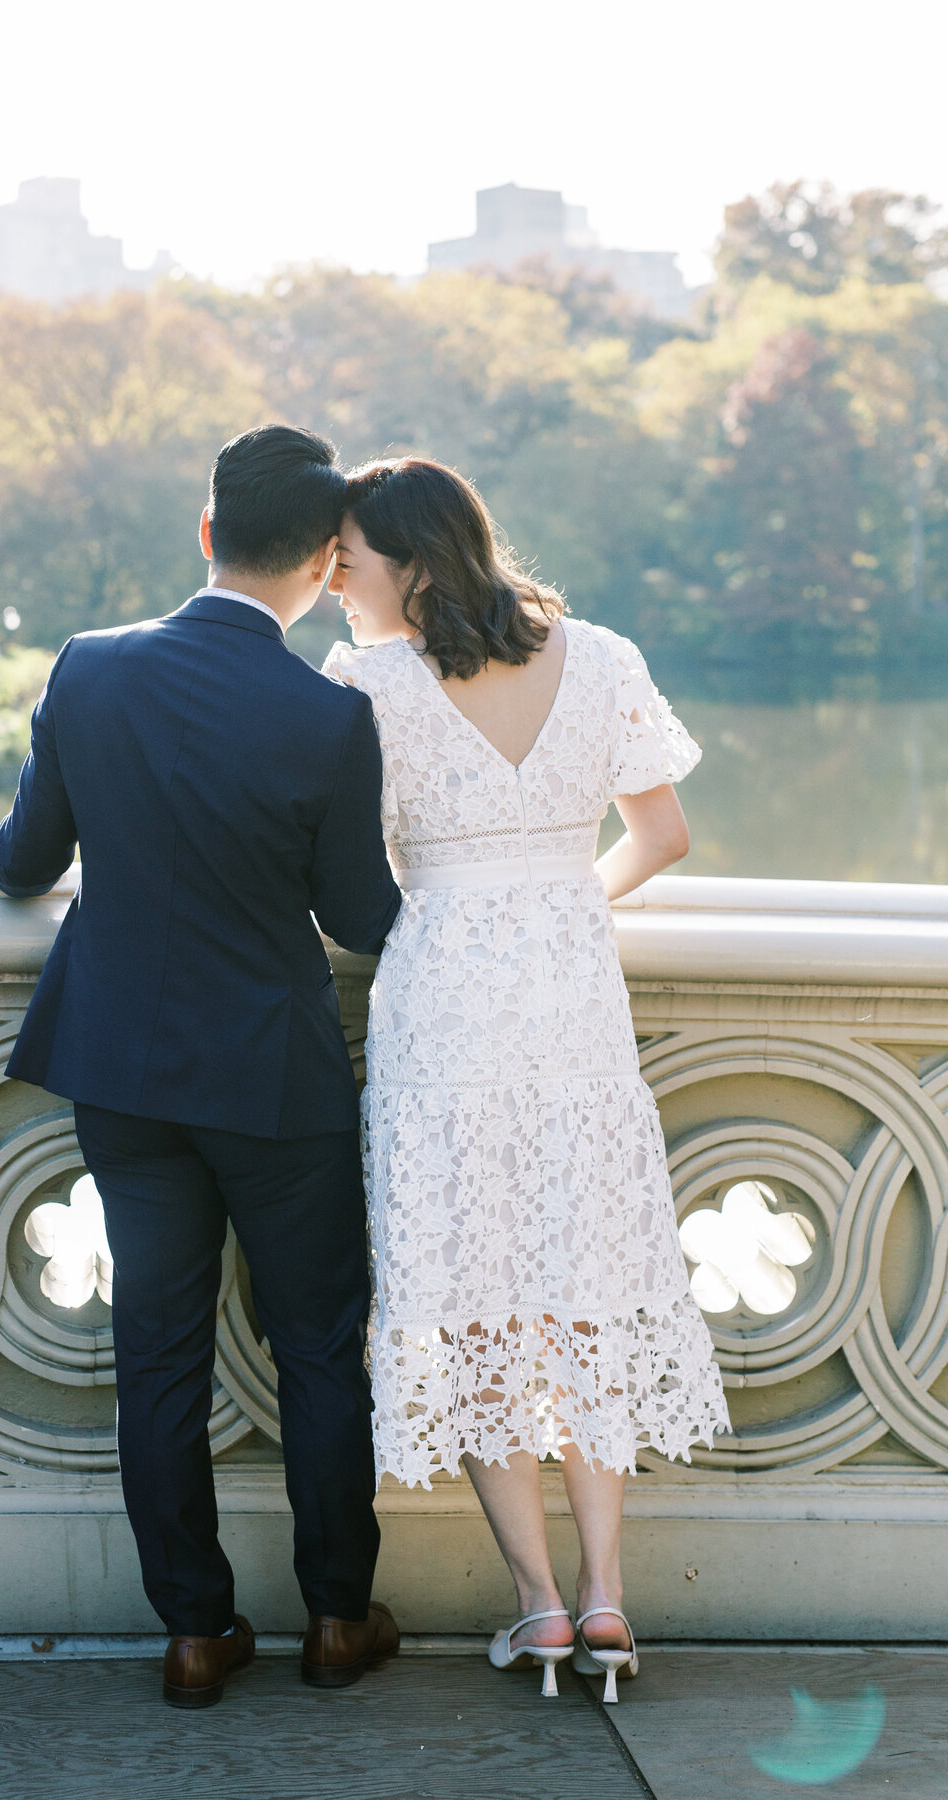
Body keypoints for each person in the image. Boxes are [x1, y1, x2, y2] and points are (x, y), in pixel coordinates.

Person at [0, 424, 403, 1709]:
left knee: (159, 1350)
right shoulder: (330, 717)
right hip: (275, 1081)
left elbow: (24, 863)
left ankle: (197, 1634)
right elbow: (361, 923)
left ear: (205, 533)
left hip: (126, 1070)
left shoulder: (89, 669)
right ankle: (337, 1616)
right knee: (319, 1348)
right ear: (329, 567)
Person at [324, 457, 729, 1704]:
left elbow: (350, 880)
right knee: (585, 1282)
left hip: (441, 1005)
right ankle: (608, 1598)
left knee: (480, 1286)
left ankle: (540, 1610)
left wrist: (471, 909)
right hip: (572, 1007)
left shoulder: (371, 684)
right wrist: (563, 903)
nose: (338, 580)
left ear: (417, 563)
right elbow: (661, 835)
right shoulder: (602, 657)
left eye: (353, 558)